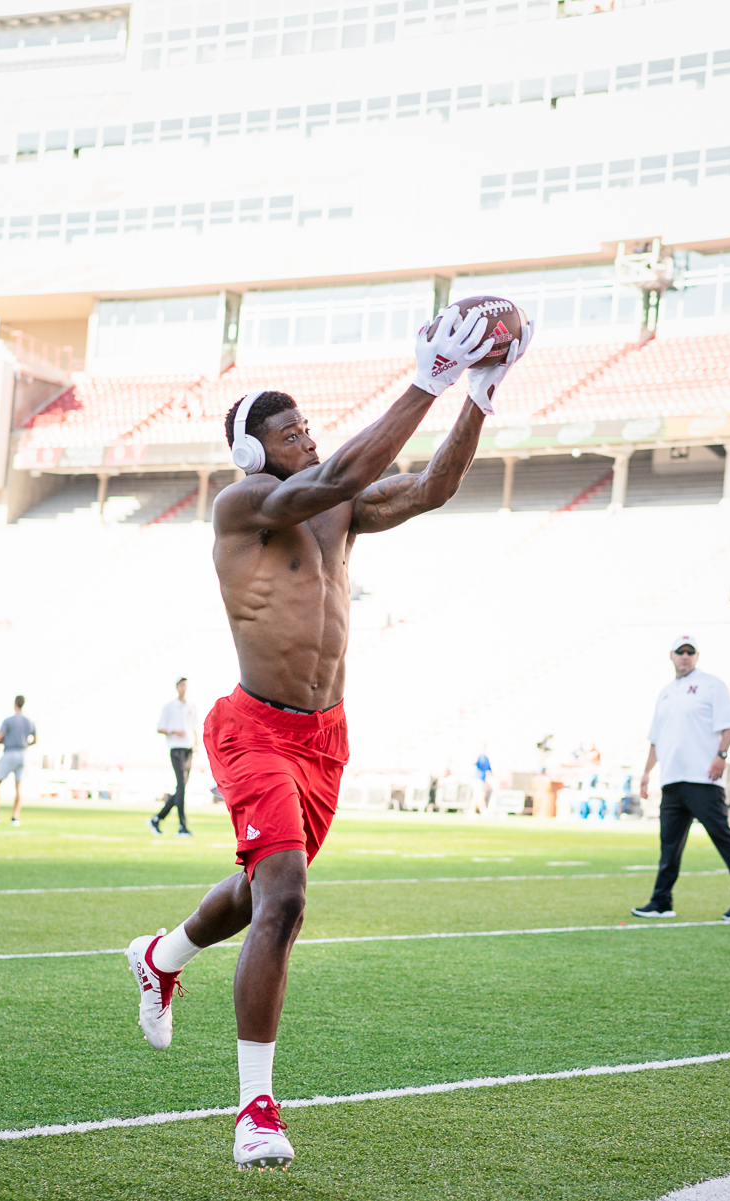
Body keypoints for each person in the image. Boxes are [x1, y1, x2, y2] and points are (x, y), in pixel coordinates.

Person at [122, 305, 527, 1172]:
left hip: (325, 736)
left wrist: (477, 399)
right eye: (289, 430)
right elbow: (329, 478)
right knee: (288, 899)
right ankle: (254, 1110)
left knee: (259, 890)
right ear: (252, 451)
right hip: (251, 728)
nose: (306, 437)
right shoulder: (246, 503)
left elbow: (429, 489)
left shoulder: (336, 507)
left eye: (308, 425)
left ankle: (161, 956)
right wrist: (427, 380)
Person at [631, 636, 730, 923]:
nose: (685, 656)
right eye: (681, 651)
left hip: (702, 778)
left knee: (721, 835)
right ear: (671, 655)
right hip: (672, 779)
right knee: (669, 845)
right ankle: (661, 901)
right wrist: (646, 772)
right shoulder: (666, 692)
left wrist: (721, 755)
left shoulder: (711, 685)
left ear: (697, 656)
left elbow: (729, 726)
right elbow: (656, 739)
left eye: (691, 652)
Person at [150, 678, 197, 836]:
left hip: (188, 749)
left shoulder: (191, 706)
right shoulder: (169, 707)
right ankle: (182, 826)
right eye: (181, 685)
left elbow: (195, 727)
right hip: (176, 748)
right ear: (177, 687)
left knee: (181, 788)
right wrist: (175, 731)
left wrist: (196, 744)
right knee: (181, 787)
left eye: (186, 685)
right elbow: (160, 728)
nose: (184, 688)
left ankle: (157, 818)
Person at [0, 695, 36, 825]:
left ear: (15, 704)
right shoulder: (29, 722)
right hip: (23, 754)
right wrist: (24, 744)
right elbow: (34, 740)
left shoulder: (8, 720)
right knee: (18, 787)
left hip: (10, 752)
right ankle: (15, 817)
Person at [474, 746, 493, 812]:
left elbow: (489, 770)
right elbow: (474, 762)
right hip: (477, 779)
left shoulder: (486, 758)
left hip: (483, 779)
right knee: (480, 795)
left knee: (476, 797)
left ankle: (470, 812)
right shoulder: (479, 756)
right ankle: (484, 812)